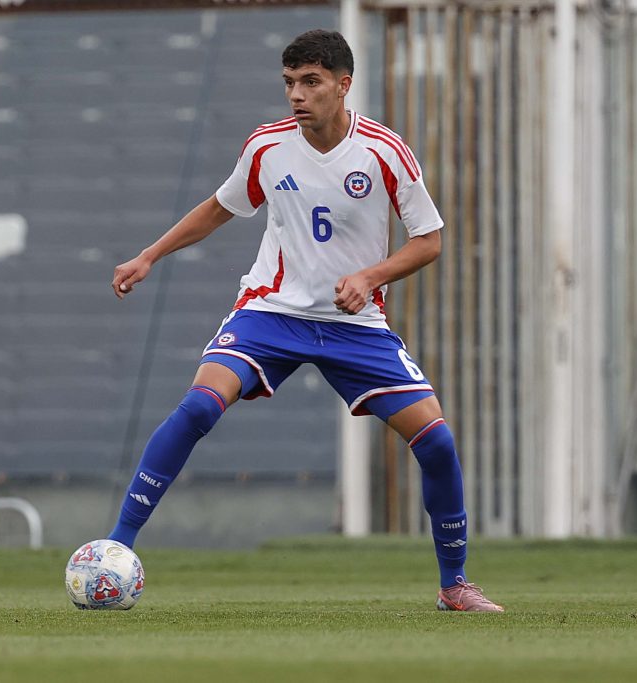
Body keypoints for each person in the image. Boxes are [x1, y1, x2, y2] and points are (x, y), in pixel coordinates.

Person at [106, 29, 503, 613]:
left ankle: (455, 585)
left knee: (437, 442)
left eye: (311, 82)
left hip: (355, 325)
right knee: (198, 407)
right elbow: (219, 208)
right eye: (290, 82)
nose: (297, 94)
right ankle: (115, 550)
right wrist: (149, 256)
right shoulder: (267, 147)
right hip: (272, 312)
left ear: (343, 85)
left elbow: (430, 240)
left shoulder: (384, 151)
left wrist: (369, 277)